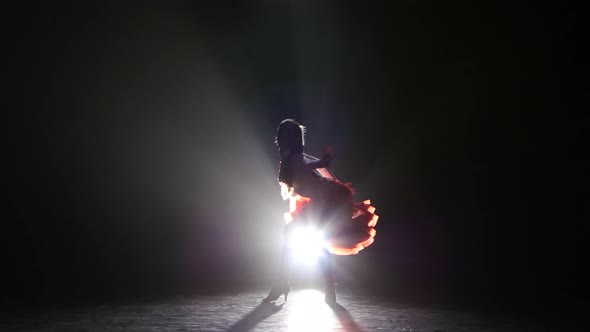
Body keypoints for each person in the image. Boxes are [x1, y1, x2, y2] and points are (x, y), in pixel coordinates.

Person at [263, 119, 378, 306]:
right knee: (311, 239)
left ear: (287, 139)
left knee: (304, 235)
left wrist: (332, 175)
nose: (279, 139)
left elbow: (315, 165)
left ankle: (286, 284)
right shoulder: (289, 157)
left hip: (326, 200)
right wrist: (328, 171)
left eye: (282, 136)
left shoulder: (296, 158)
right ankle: (318, 288)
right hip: (322, 200)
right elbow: (317, 166)